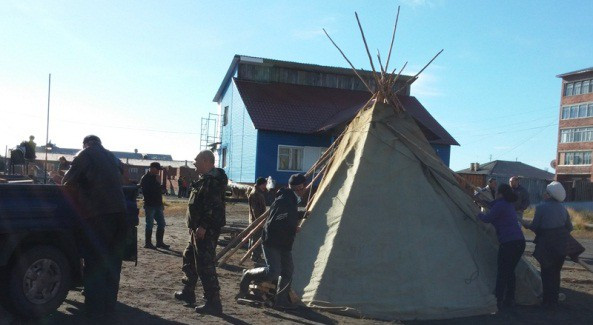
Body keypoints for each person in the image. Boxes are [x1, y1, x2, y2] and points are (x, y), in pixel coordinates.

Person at [62, 135, 127, 318]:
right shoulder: (111, 156)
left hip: (99, 215)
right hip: (120, 214)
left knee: (95, 262)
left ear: (86, 144)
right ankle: (109, 308)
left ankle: (94, 311)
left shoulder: (85, 154)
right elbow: (120, 176)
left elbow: (67, 181)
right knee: (113, 263)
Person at [236, 173, 308, 309]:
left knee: (287, 271)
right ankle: (248, 274)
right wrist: (293, 228)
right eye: (299, 188)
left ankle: (281, 301)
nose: (301, 190)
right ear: (294, 187)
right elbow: (275, 222)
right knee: (273, 271)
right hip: (273, 241)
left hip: (284, 242)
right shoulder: (284, 200)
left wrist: (300, 214)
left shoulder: (291, 199)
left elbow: (288, 216)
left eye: (302, 187)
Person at [174, 150, 228, 316]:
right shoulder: (204, 179)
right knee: (189, 256)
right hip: (198, 229)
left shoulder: (213, 181)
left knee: (205, 265)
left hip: (206, 230)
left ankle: (213, 302)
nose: (194, 163)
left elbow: (213, 205)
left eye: (196, 160)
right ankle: (188, 291)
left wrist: (203, 226)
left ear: (206, 161)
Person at [522, 181, 572, 309]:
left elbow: (535, 226)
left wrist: (525, 224)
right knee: (556, 272)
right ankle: (554, 300)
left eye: (545, 192)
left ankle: (547, 301)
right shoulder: (563, 208)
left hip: (546, 244)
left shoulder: (541, 207)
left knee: (546, 272)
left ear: (548, 195)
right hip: (560, 245)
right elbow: (569, 227)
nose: (543, 194)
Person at [477, 183, 526, 310]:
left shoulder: (500, 205)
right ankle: (510, 299)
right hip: (519, 242)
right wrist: (481, 201)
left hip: (509, 243)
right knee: (509, 272)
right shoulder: (507, 203)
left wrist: (476, 213)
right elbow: (491, 204)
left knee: (503, 272)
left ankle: (498, 299)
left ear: (500, 194)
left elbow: (487, 218)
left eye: (497, 192)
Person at [140, 162, 169, 249]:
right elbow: (147, 192)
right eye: (157, 169)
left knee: (161, 223)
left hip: (158, 205)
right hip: (150, 205)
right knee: (149, 224)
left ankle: (159, 242)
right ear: (152, 168)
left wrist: (161, 203)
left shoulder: (156, 178)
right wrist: (157, 183)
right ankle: (148, 243)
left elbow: (159, 192)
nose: (158, 172)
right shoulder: (145, 178)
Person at [248, 177, 268, 263]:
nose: (265, 186)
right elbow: (255, 209)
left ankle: (252, 254)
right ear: (261, 184)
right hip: (257, 220)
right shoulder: (255, 194)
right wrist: (259, 221)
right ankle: (255, 256)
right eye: (265, 184)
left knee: (254, 237)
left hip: (257, 219)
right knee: (256, 238)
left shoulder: (258, 193)